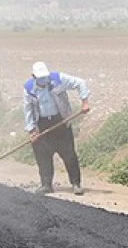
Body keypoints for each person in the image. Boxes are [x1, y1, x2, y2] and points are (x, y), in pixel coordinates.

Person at [22, 61, 91, 196]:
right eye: (40, 77)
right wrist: (32, 130)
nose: (44, 80)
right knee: (43, 156)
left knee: (69, 154)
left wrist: (85, 101)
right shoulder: (29, 89)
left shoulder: (58, 79)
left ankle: (76, 184)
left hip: (60, 122)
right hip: (41, 124)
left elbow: (80, 83)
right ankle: (46, 185)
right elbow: (28, 110)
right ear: (34, 76)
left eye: (45, 76)